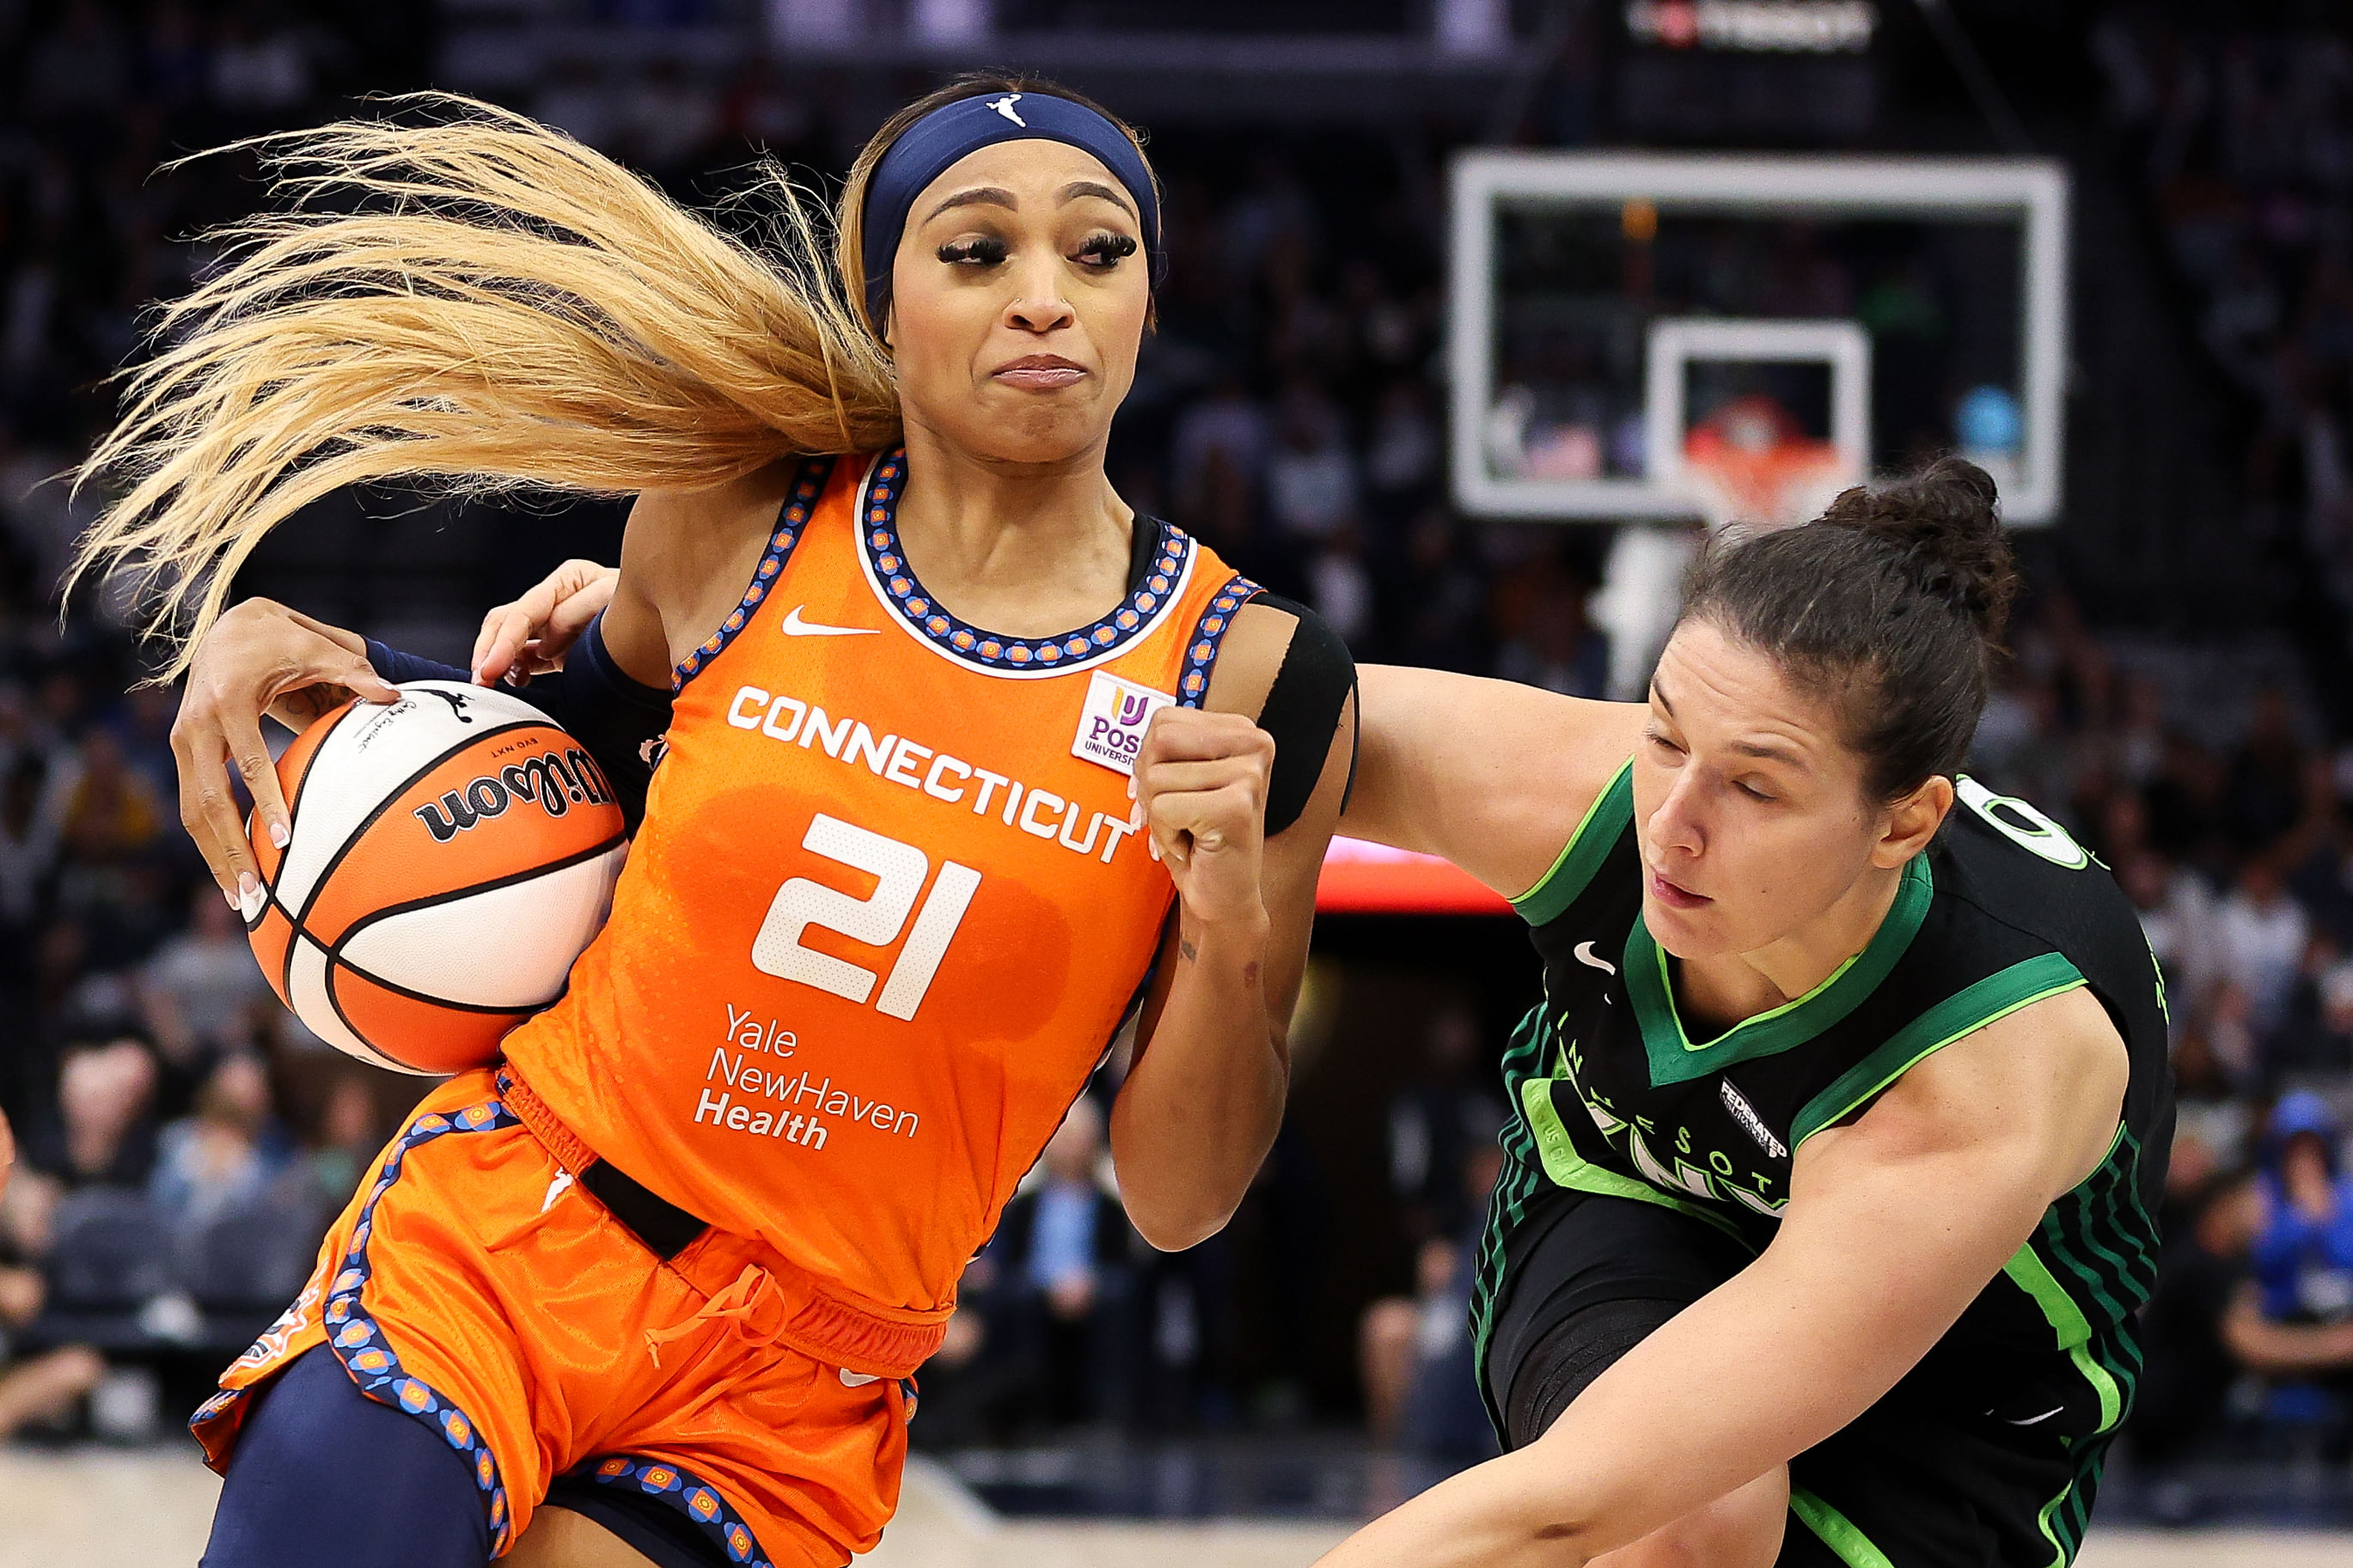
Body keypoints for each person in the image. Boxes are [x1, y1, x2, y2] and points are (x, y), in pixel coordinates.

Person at [78, 80, 1352, 1568]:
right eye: (975, 252)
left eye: (1097, 253)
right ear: (882, 302)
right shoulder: (734, 518)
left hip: (790, 1390)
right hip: (517, 1228)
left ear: (1148, 300)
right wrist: (310, 667)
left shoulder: (1256, 676)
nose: (1043, 300)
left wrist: (1224, 924)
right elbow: (546, 793)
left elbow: (1183, 1200)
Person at [1313, 461, 2171, 1567]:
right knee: (1688, 1517)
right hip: (1634, 1191)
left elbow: (1558, 1508)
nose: (1671, 823)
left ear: (1905, 824)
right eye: (1666, 733)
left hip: (1965, 1371)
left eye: (1754, 787)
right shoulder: (1583, 792)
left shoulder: (1989, 1061)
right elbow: (1241, 700)